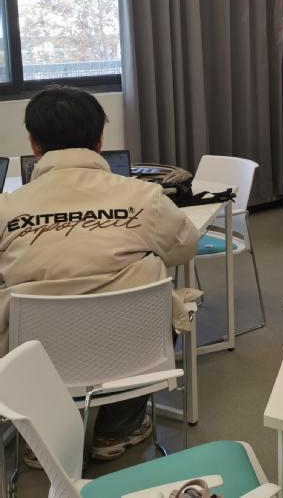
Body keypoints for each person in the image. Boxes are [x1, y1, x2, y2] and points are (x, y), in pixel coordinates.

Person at [0, 85, 200, 464]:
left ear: (33, 144)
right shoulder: (144, 197)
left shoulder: (6, 207)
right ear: (99, 142)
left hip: (37, 353)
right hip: (129, 349)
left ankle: (44, 434)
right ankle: (117, 428)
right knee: (163, 303)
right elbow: (184, 248)